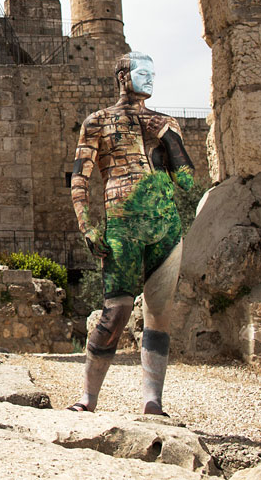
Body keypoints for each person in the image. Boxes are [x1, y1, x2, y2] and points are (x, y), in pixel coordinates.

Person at [68, 51, 195, 416]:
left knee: (159, 313)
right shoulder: (98, 122)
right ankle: (87, 398)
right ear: (123, 76)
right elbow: (80, 178)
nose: (151, 79)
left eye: (155, 72)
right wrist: (87, 225)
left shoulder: (165, 122)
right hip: (122, 228)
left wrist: (169, 141)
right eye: (143, 72)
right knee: (115, 313)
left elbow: (186, 181)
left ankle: (153, 401)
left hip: (165, 226)